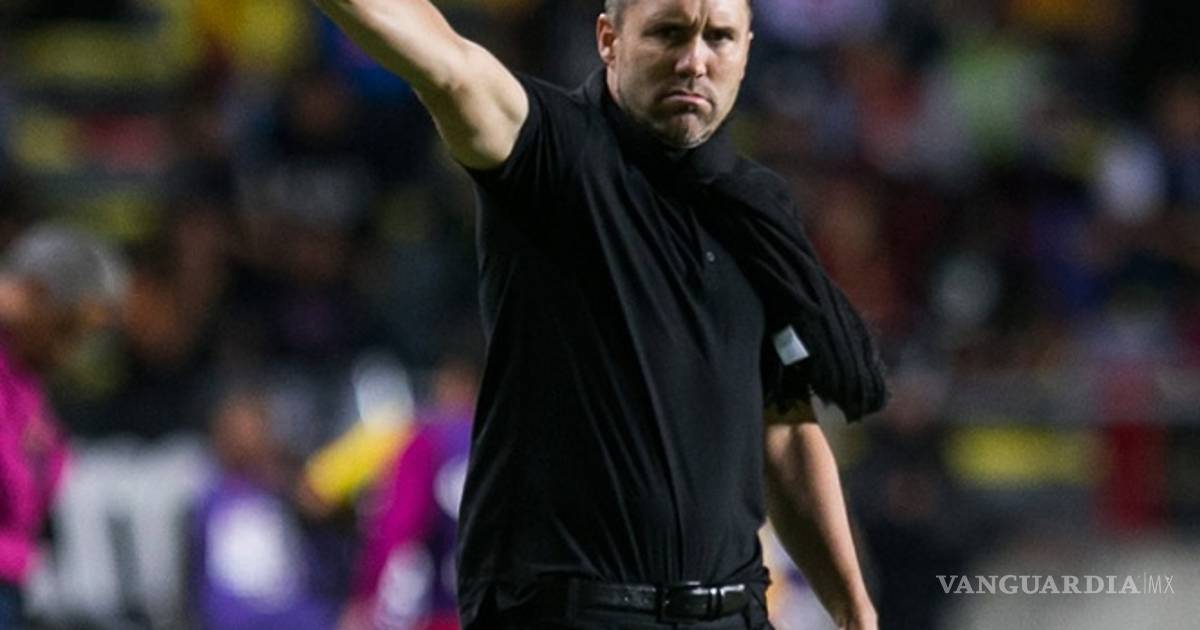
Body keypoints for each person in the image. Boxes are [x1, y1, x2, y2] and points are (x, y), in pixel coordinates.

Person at [313, 0, 888, 628]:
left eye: (719, 37)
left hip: (734, 612)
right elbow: (449, 67)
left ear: (746, 52)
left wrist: (854, 610)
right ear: (609, 40)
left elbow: (784, 430)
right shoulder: (550, 152)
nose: (694, 60)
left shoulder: (758, 210)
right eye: (669, 32)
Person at [0, 223, 127, 629]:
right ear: (31, 295)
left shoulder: (26, 380)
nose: (71, 351)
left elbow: (38, 490)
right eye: (67, 329)